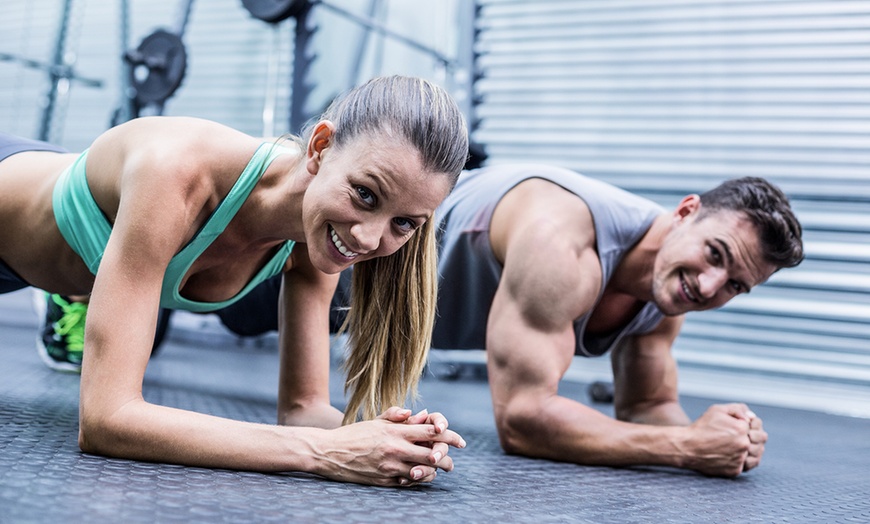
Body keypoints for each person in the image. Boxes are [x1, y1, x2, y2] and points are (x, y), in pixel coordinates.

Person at [0, 75, 469, 487]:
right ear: (320, 148)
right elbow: (107, 420)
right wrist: (324, 453)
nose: (368, 238)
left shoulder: (318, 241)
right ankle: (77, 293)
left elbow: (302, 410)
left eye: (404, 224)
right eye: (364, 194)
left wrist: (393, 439)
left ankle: (80, 288)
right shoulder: (175, 171)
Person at [215, 163, 804, 478]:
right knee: (223, 298)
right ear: (685, 213)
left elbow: (648, 408)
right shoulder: (564, 241)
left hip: (381, 311)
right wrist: (685, 450)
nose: (707, 287)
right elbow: (523, 420)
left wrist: (720, 438)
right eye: (716, 256)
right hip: (340, 265)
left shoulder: (667, 290)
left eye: (734, 286)